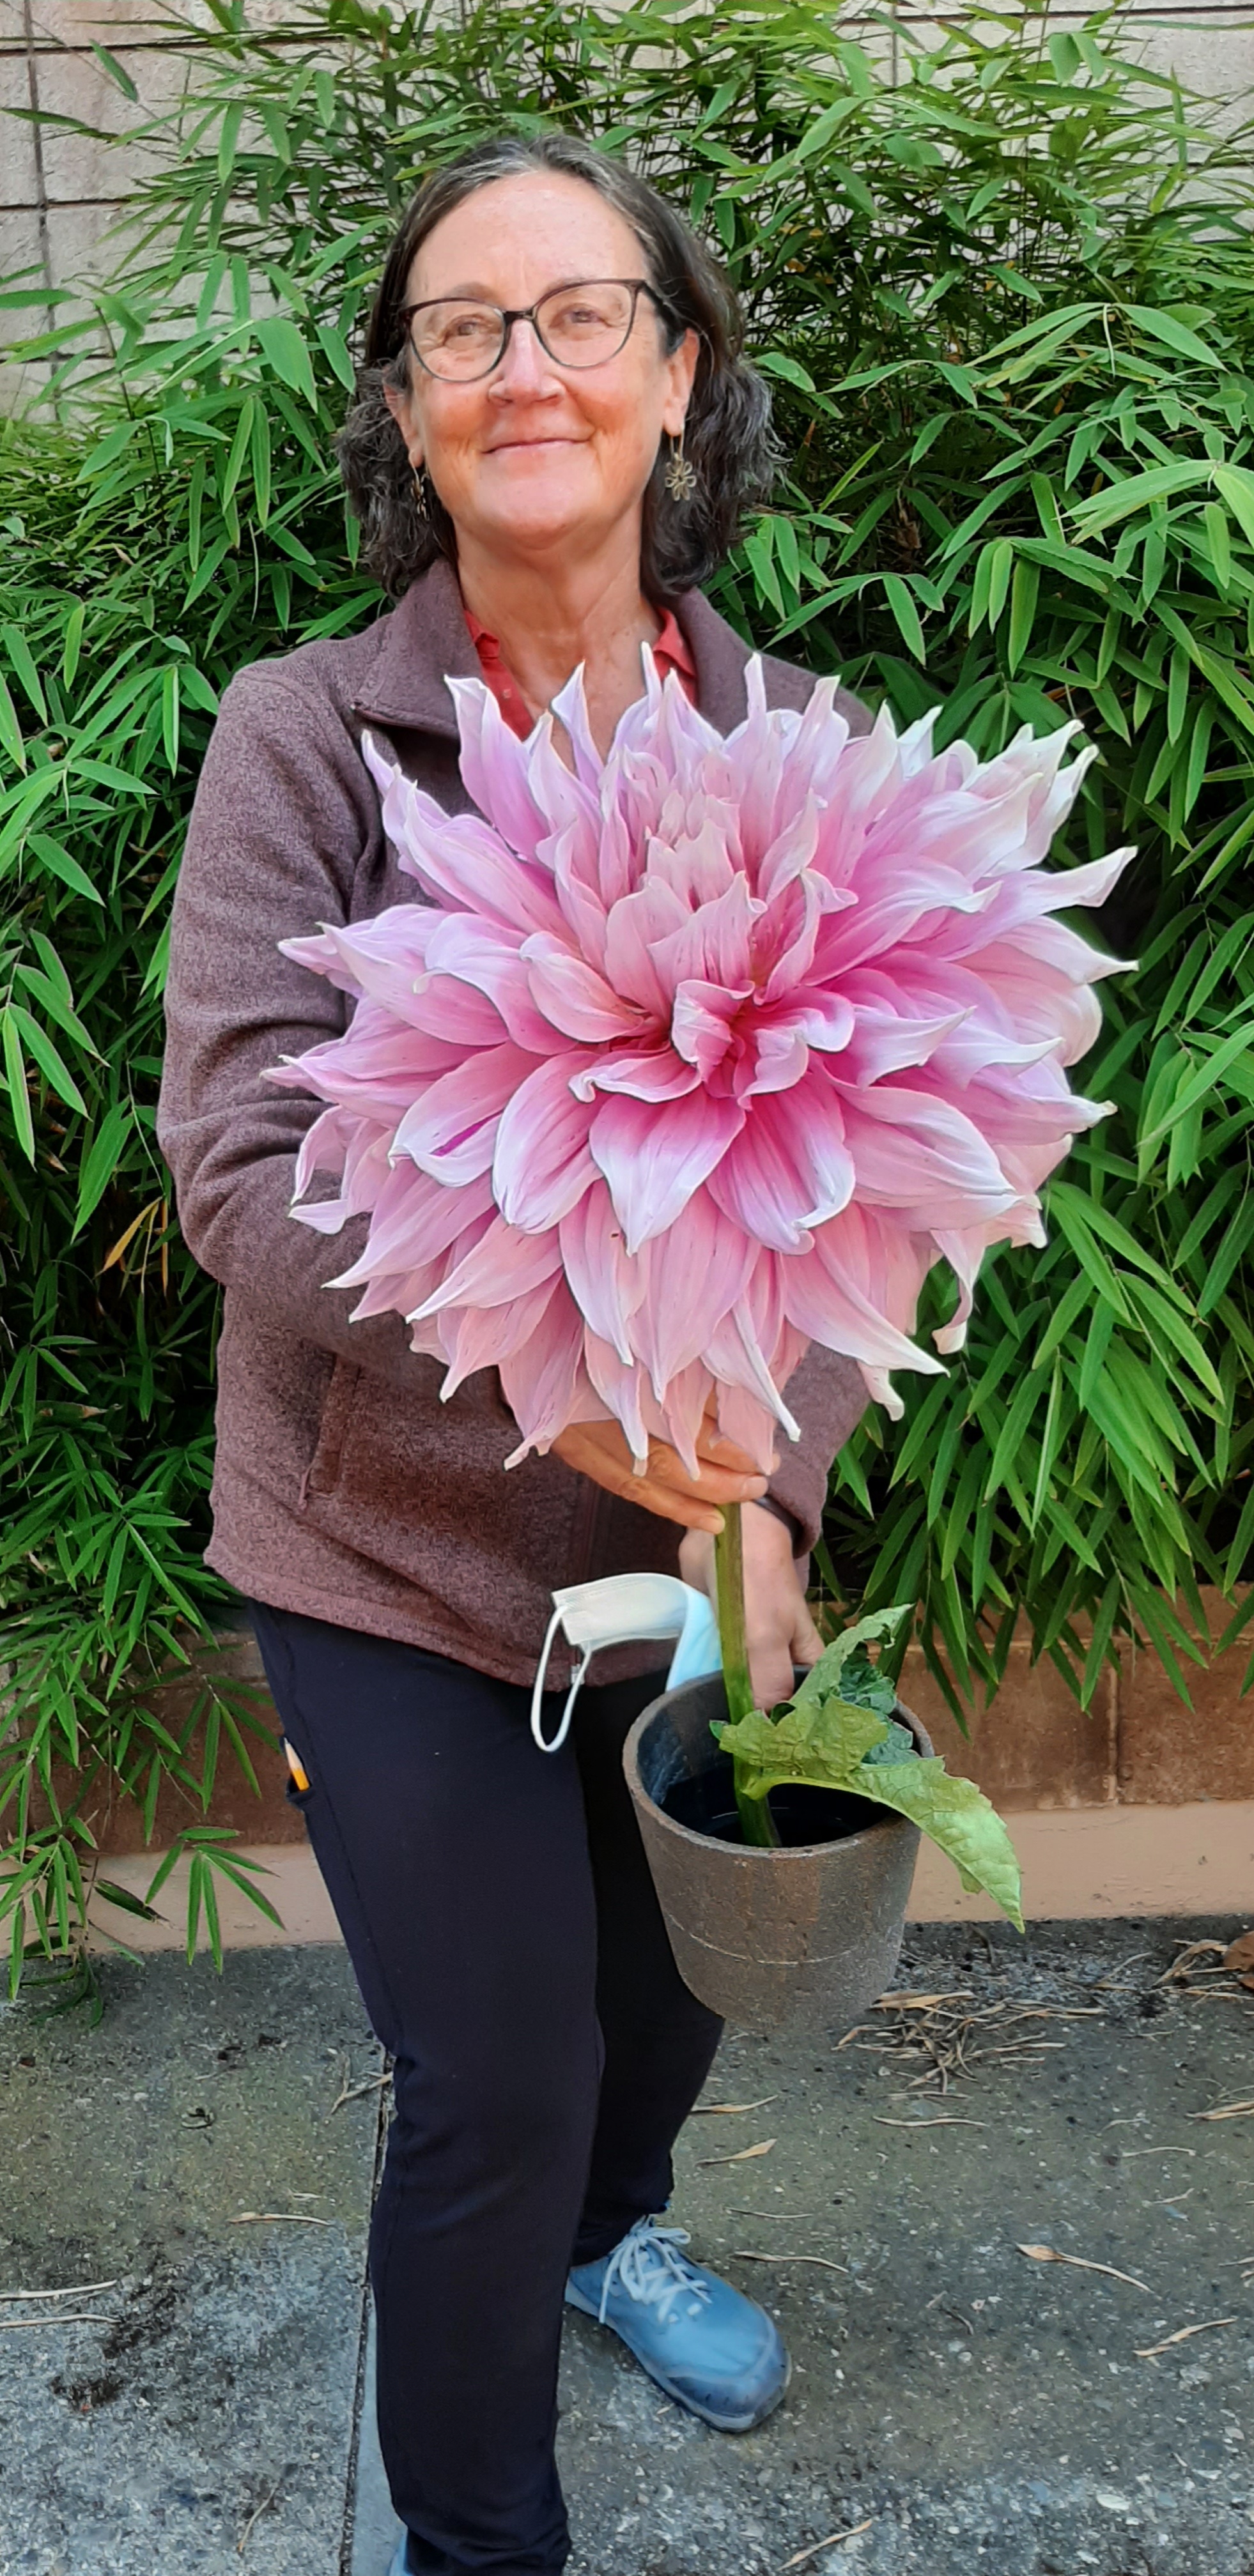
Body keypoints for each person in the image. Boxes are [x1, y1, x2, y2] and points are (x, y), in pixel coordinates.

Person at [158, 131, 870, 2576]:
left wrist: (766, 1500)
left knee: (658, 2007)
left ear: (677, 380)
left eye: (580, 314)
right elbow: (239, 1174)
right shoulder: (309, 739)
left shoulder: (797, 742)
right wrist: (549, 1380)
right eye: (462, 329)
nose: (521, 366)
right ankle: (477, 2538)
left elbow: (868, 1198)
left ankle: (609, 2233)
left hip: (675, 1547)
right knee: (494, 2071)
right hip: (384, 1551)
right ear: (408, 410)